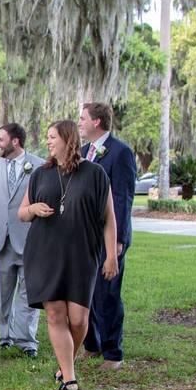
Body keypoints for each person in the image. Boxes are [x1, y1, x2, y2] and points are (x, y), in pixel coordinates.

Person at [19, 120, 119, 390]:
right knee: (55, 314)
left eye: (52, 137)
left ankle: (66, 365)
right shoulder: (40, 173)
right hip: (44, 252)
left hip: (82, 253)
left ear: (68, 139)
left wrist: (111, 256)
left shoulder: (96, 173)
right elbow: (22, 212)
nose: (48, 142)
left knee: (77, 319)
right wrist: (33, 209)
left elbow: (109, 218)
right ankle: (69, 379)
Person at [0, 123, 45, 357]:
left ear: (15, 142)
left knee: (30, 292)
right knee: (4, 292)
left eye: (1, 139)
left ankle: (27, 340)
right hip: (1, 239)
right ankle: (5, 336)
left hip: (31, 239)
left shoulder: (40, 165)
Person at [78, 102, 137, 370]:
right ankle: (92, 344)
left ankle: (114, 353)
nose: (79, 123)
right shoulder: (82, 152)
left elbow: (123, 198)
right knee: (86, 293)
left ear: (97, 122)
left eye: (83, 118)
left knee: (107, 293)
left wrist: (118, 241)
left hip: (108, 235)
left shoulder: (120, 152)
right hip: (82, 236)